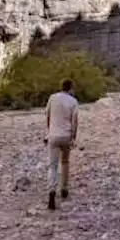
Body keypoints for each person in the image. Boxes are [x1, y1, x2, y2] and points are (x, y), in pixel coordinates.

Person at [44, 79, 79, 210]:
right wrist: (73, 137)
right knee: (65, 162)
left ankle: (51, 192)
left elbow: (47, 115)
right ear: (70, 88)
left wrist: (49, 131)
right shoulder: (73, 101)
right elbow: (75, 121)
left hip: (53, 135)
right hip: (66, 135)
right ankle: (64, 189)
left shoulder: (52, 98)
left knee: (52, 166)